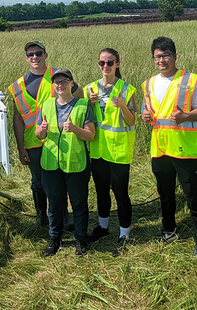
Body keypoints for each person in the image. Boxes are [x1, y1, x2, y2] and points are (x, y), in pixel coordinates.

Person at [141, 36, 197, 257]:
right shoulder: (148, 84)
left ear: (174, 56)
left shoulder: (191, 80)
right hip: (159, 149)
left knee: (193, 196)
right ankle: (169, 230)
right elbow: (151, 113)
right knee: (165, 194)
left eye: (166, 55)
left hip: (183, 148)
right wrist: (145, 115)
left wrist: (186, 116)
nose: (162, 60)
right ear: (153, 59)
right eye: (157, 57)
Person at [8, 40, 76, 229]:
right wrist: (20, 147)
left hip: (57, 139)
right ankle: (41, 218)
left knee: (59, 179)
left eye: (38, 53)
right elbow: (18, 118)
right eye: (31, 54)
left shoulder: (59, 76)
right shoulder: (17, 86)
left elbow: (78, 98)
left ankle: (64, 216)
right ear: (26, 59)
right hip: (32, 142)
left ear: (46, 55)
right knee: (37, 182)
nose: (35, 57)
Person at [35, 69, 96, 256]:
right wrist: (42, 130)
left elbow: (91, 135)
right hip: (51, 163)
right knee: (54, 204)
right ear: (53, 86)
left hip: (76, 163)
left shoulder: (83, 105)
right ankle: (55, 239)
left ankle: (80, 239)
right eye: (57, 82)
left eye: (64, 81)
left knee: (79, 204)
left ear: (71, 83)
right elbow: (38, 134)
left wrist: (76, 129)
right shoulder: (46, 105)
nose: (60, 85)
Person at [84, 48, 137, 256]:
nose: (105, 67)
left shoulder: (127, 89)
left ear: (117, 64)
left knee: (121, 193)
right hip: (98, 150)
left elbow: (132, 121)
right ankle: (103, 228)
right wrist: (89, 104)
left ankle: (124, 235)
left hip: (119, 151)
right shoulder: (90, 89)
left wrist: (123, 106)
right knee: (101, 191)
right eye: (101, 63)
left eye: (109, 62)